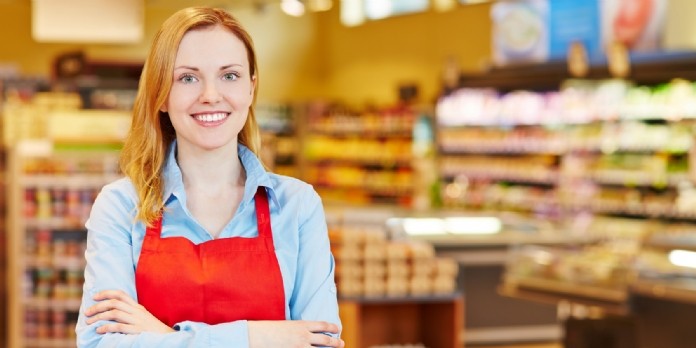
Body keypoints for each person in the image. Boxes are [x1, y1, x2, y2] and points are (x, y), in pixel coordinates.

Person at [75, 7, 343, 347]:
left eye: (229, 76)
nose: (211, 95)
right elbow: (102, 344)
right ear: (161, 94)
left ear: (250, 88)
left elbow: (322, 342)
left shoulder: (297, 205)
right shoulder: (121, 206)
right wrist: (256, 336)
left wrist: (162, 336)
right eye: (188, 78)